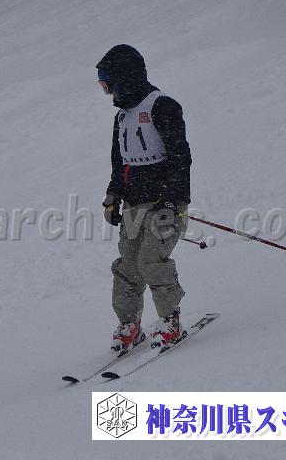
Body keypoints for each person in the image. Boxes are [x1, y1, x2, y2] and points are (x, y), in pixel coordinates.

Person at [96, 44, 192, 352]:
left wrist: (172, 200)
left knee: (151, 260)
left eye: (109, 85)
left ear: (126, 79)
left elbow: (180, 157)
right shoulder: (122, 117)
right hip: (134, 204)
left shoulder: (162, 106)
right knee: (128, 264)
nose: (108, 93)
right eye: (103, 87)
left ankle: (170, 321)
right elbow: (120, 163)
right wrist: (113, 195)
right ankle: (129, 324)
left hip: (167, 203)